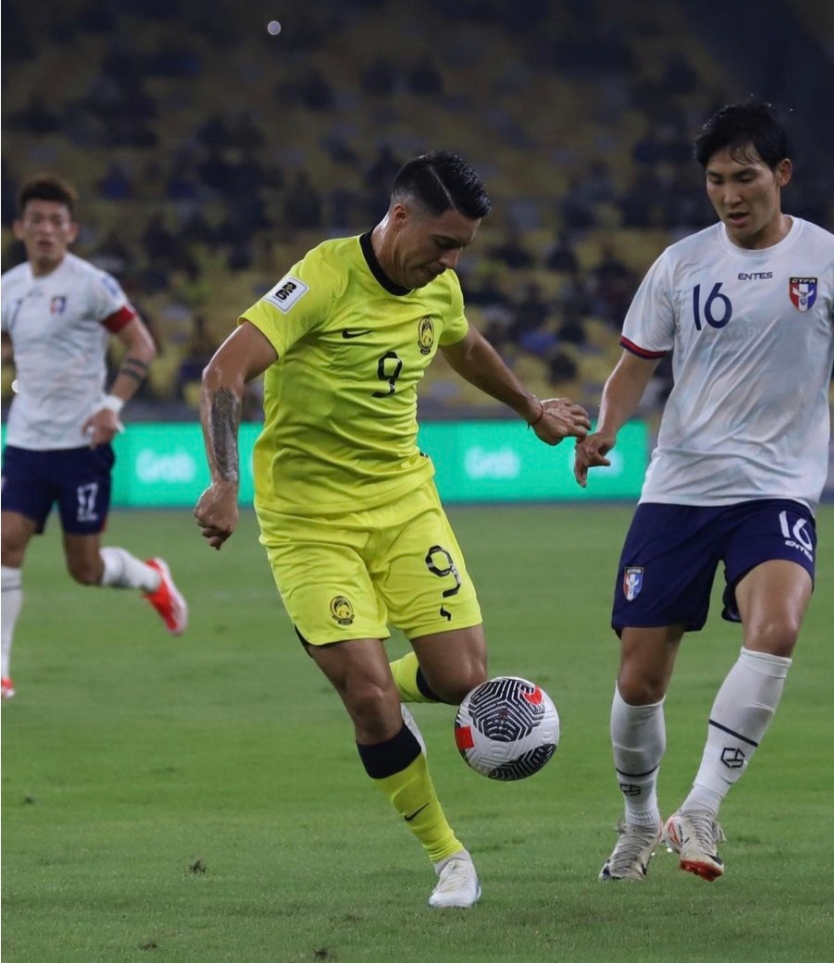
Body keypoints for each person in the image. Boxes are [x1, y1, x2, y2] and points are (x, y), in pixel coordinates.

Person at [193, 152, 590, 909]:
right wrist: (225, 479)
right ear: (399, 216)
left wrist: (530, 407)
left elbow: (463, 343)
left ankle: (373, 677)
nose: (449, 262)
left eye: (462, 250)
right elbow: (224, 372)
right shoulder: (323, 278)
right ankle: (450, 856)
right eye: (442, 243)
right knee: (371, 700)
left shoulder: (437, 283)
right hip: (310, 521)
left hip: (404, 501)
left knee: (463, 682)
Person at [574, 102, 834, 883]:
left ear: (781, 175)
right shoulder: (681, 263)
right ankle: (637, 818)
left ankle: (704, 804)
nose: (730, 194)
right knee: (640, 677)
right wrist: (610, 427)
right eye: (717, 180)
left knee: (779, 624)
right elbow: (634, 365)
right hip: (680, 489)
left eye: (746, 176)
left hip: (778, 489)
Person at [0, 174, 189, 701]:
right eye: (35, 219)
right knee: (5, 542)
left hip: (82, 443)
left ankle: (153, 579)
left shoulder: (92, 285)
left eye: (56, 221)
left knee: (84, 568)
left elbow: (142, 345)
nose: (45, 229)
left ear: (72, 231)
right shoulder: (9, 287)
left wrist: (110, 406)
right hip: (26, 443)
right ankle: (2, 668)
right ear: (19, 227)